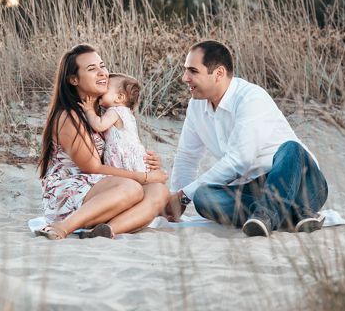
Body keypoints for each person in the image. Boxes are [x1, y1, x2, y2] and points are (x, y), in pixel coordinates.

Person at [165, 40, 329, 237]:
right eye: (185, 70)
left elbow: (240, 161)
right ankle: (292, 215)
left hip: (300, 182)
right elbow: (187, 156)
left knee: (291, 148)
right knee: (203, 197)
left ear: (218, 74)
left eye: (193, 71)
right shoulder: (196, 106)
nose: (184, 78)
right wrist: (177, 200)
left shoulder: (251, 98)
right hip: (254, 188)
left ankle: (267, 214)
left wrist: (184, 196)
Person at [37, 44, 169, 240]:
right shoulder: (68, 116)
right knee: (132, 188)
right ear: (73, 79)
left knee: (160, 192)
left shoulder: (104, 112)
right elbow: (93, 168)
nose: (102, 73)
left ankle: (106, 230)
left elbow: (119, 151)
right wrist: (145, 177)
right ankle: (63, 226)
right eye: (92, 69)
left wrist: (147, 164)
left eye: (102, 66)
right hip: (71, 188)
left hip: (100, 186)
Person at [80, 73, 149, 173]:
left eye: (106, 88)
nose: (102, 91)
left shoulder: (115, 111)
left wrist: (89, 110)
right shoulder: (127, 113)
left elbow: (99, 125)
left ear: (119, 98)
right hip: (134, 156)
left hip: (123, 157)